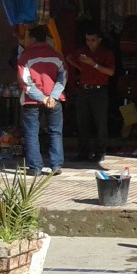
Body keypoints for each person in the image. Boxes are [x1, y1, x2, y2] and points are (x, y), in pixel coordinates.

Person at [17, 25, 67, 176]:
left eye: (27, 37)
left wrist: (42, 98)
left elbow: (25, 82)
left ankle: (35, 168)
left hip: (31, 101)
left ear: (32, 39)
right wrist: (52, 96)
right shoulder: (57, 56)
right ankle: (56, 165)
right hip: (54, 100)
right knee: (55, 132)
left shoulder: (25, 57)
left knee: (32, 133)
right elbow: (63, 78)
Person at [66, 27, 116, 162]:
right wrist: (81, 68)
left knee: (100, 122)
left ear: (99, 40)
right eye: (87, 40)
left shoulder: (106, 53)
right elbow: (69, 58)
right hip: (83, 89)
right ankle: (83, 152)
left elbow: (111, 72)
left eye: (93, 40)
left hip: (99, 90)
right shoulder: (82, 51)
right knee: (82, 121)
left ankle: (100, 152)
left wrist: (93, 64)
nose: (90, 42)